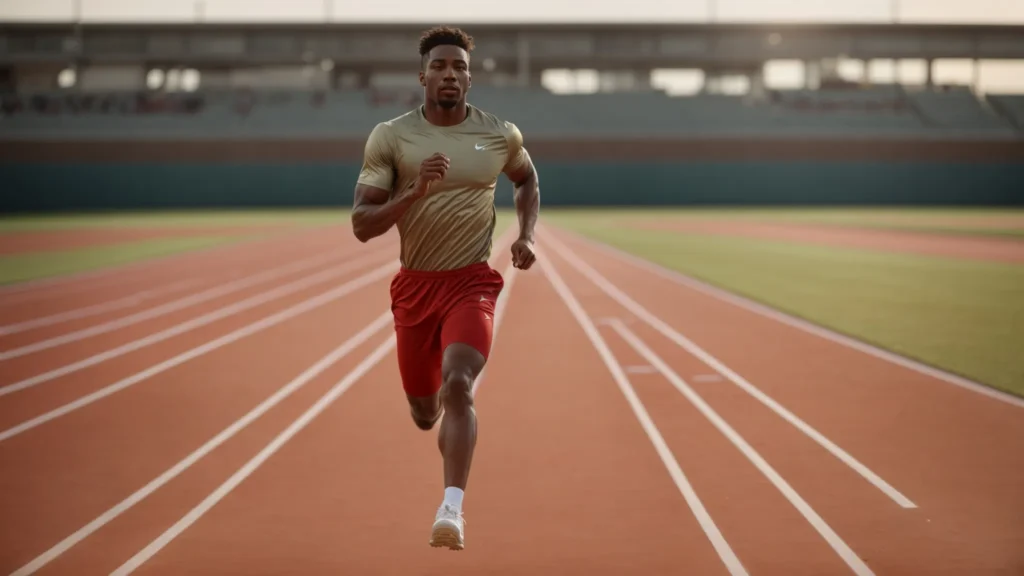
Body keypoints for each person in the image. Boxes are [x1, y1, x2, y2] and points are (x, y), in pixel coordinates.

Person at [349, 25, 540, 551]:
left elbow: (526, 179)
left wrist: (525, 235)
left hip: (471, 282)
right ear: (423, 76)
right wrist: (415, 192)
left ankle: (451, 510)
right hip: (415, 289)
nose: (449, 73)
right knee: (424, 411)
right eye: (439, 66)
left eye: (458, 66)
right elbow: (362, 224)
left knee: (460, 383)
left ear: (469, 78)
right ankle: (438, 418)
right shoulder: (391, 137)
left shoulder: (500, 134)